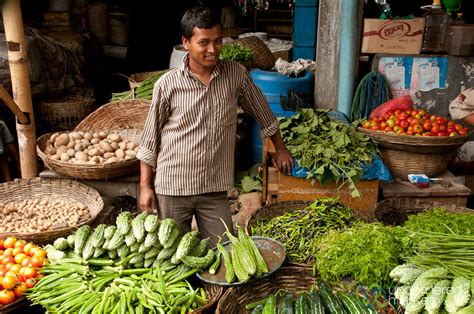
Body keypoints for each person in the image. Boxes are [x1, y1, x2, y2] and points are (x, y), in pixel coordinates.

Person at [137, 6, 294, 247]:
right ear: (186, 43)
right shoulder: (167, 85)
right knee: (172, 256)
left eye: (218, 41)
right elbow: (150, 140)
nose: (213, 50)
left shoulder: (236, 75)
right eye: (204, 43)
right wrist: (145, 187)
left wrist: (280, 148)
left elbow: (263, 113)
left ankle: (214, 288)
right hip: (173, 187)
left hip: (214, 188)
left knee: (223, 251)